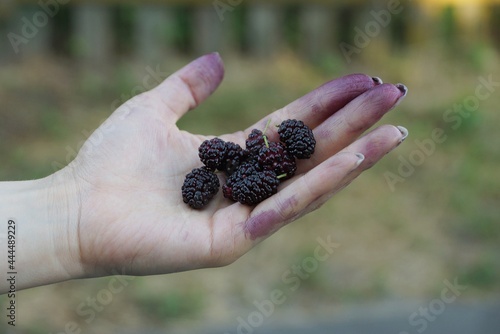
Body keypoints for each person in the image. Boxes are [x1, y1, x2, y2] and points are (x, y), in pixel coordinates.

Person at [0, 53, 408, 293]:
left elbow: (256, 171)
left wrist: (67, 219)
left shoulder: (255, 163)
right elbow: (239, 173)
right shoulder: (230, 169)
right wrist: (71, 216)